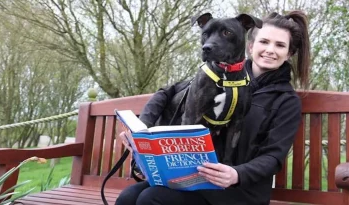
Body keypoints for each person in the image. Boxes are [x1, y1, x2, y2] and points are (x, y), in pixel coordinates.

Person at [115, 10, 311, 205]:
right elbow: (166, 93)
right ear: (250, 46)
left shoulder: (285, 101)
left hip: (239, 190)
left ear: (289, 54)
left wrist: (237, 174)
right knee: (128, 197)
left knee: (152, 199)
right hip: (199, 177)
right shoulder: (220, 75)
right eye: (264, 42)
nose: (270, 50)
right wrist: (140, 130)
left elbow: (273, 157)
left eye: (279, 45)